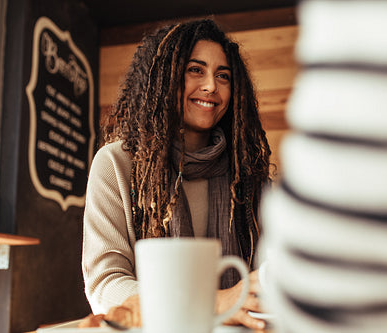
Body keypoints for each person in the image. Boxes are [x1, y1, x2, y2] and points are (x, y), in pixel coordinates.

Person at [81, 18, 271, 330]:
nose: (211, 85)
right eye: (195, 70)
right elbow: (105, 284)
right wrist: (208, 303)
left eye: (223, 76)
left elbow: (272, 276)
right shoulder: (116, 164)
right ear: (163, 80)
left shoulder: (249, 174)